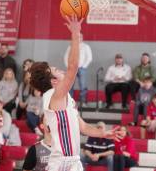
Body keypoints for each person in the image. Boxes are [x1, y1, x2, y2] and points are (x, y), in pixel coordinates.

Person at [29, 15, 119, 171]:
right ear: (54, 81)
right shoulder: (54, 95)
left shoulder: (64, 98)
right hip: (61, 163)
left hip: (72, 161)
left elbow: (83, 127)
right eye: (55, 70)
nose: (59, 69)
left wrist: (103, 134)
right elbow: (73, 67)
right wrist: (76, 35)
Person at [64, 33, 92, 107]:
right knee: (70, 86)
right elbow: (66, 57)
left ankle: (83, 102)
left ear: (82, 38)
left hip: (81, 68)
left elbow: (89, 58)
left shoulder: (86, 46)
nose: (78, 38)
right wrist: (69, 66)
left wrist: (83, 66)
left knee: (82, 85)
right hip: (72, 68)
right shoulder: (71, 46)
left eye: (79, 37)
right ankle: (70, 103)